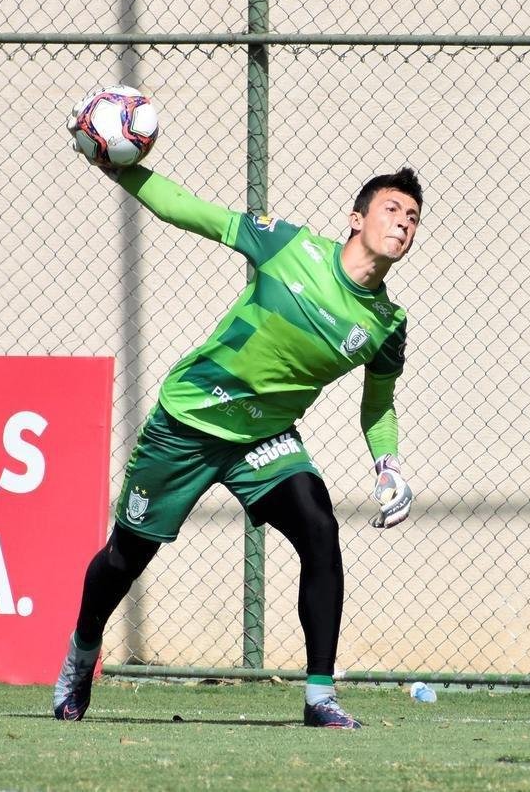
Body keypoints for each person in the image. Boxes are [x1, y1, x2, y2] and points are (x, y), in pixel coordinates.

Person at [53, 159, 421, 729]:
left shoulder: (386, 324)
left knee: (320, 530)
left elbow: (377, 405)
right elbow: (189, 210)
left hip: (264, 438)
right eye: (392, 209)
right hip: (191, 419)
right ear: (356, 218)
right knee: (127, 556)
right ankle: (81, 653)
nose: (403, 224)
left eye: (413, 218)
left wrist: (388, 462)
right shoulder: (289, 245)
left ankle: (319, 698)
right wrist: (115, 167)